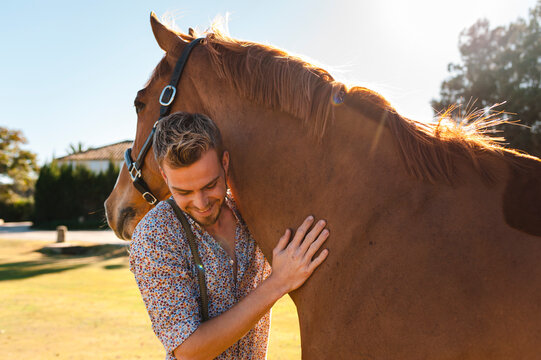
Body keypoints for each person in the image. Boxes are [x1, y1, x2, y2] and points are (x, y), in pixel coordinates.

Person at [129, 112, 329, 360]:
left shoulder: (252, 212)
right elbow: (189, 350)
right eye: (183, 192)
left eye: (209, 185)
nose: (200, 203)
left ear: (225, 163)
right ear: (164, 176)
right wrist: (278, 282)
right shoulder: (155, 236)